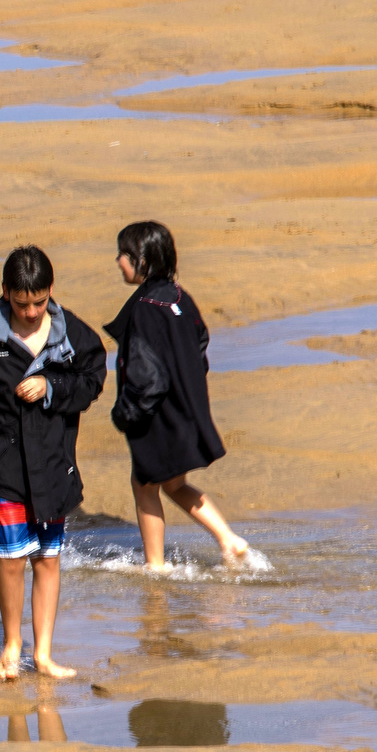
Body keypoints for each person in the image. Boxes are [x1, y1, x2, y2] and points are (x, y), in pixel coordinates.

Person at [0, 245, 108, 681]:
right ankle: (12, 647)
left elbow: (92, 378)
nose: (31, 312)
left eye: (38, 302)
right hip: (3, 472)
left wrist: (51, 387)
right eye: (21, 303)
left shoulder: (71, 335)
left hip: (53, 470)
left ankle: (45, 654)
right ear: (5, 294)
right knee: (12, 559)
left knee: (48, 559)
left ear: (50, 291)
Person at [105, 221, 251, 571]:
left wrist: (125, 413)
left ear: (141, 260)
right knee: (173, 483)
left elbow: (146, 377)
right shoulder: (180, 296)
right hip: (186, 408)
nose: (117, 261)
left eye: (122, 255)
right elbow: (200, 346)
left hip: (157, 416)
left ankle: (155, 564)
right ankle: (228, 539)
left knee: (145, 483)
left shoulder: (143, 308)